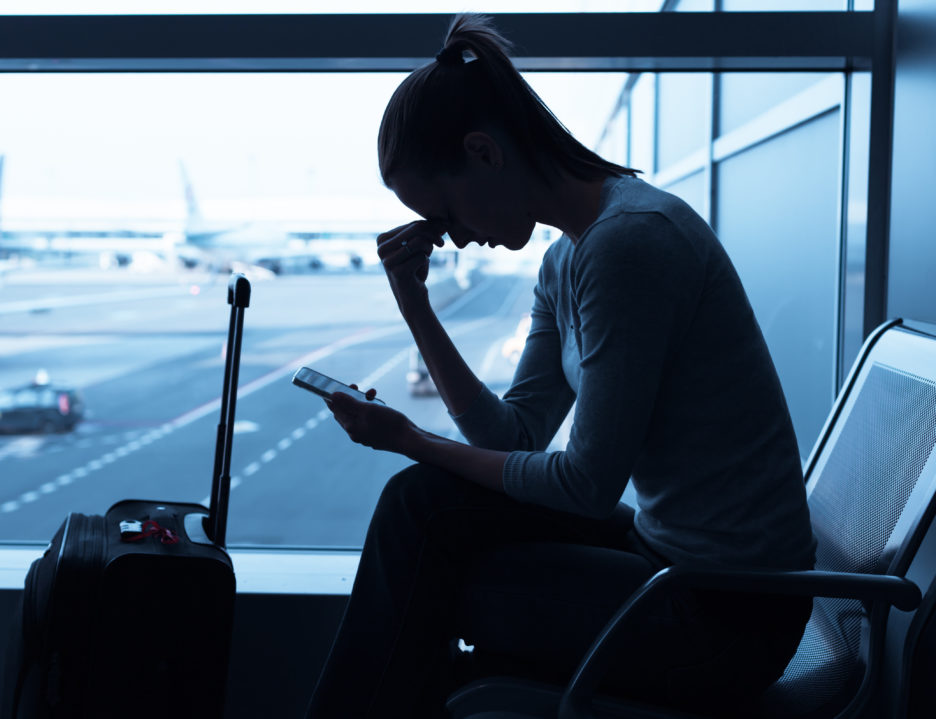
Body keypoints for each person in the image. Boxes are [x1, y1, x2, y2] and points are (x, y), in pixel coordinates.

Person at [306, 13, 816, 719]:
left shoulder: (629, 245)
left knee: (426, 548)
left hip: (723, 619)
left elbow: (583, 482)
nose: (452, 236)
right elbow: (511, 438)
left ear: (484, 153)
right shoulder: (568, 257)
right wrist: (415, 306)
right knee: (420, 509)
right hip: (670, 561)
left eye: (445, 210)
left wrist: (412, 438)